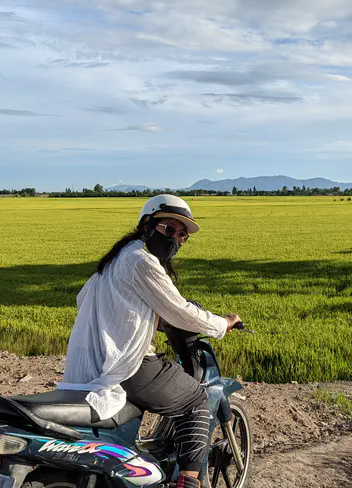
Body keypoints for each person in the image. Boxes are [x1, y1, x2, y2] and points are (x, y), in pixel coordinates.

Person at [61, 195, 241, 488]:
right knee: (196, 398)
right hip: (127, 366)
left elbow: (88, 302)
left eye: (183, 235)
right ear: (148, 225)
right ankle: (189, 481)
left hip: (90, 365)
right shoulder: (141, 261)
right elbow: (181, 311)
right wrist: (223, 323)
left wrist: (145, 324)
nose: (177, 239)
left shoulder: (115, 260)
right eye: (170, 229)